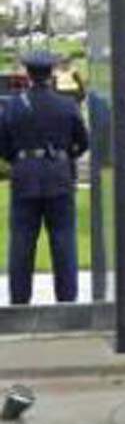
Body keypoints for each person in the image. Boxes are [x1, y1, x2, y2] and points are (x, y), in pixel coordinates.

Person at [0, 50, 89, 304]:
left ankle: (19, 301)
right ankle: (67, 299)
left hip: (25, 176)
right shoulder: (66, 105)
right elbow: (82, 142)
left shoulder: (14, 105)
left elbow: (3, 145)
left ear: (28, 74)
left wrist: (21, 159)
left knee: (22, 242)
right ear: (51, 73)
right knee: (63, 241)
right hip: (59, 176)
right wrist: (62, 156)